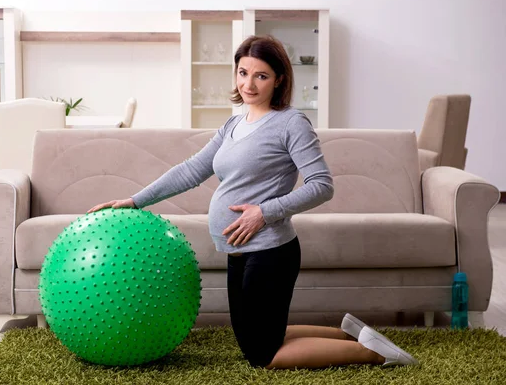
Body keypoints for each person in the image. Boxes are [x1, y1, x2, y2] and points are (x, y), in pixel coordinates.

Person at [88, 35, 419, 370]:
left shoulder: (291, 123)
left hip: (270, 250)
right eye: (243, 72)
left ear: (279, 80)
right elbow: (191, 171)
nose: (249, 83)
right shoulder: (234, 124)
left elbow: (322, 186)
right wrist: (135, 201)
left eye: (261, 75)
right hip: (238, 250)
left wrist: (264, 212)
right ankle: (350, 335)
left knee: (262, 355)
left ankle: (375, 354)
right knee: (255, 337)